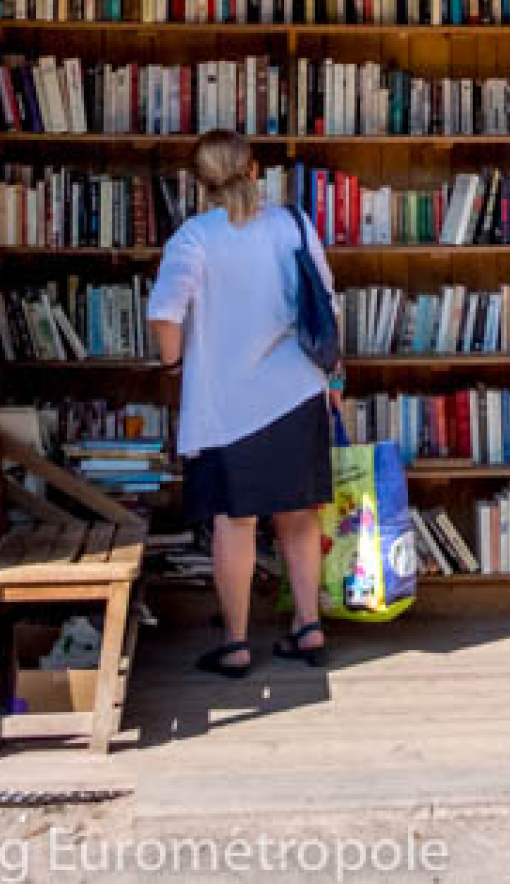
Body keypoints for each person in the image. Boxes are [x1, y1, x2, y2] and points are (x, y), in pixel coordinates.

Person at [147, 129, 341, 676]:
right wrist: (336, 387)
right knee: (299, 518)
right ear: (255, 170)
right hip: (298, 391)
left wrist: (172, 363)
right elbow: (327, 304)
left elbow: (165, 315)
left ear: (200, 182)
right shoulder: (294, 225)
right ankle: (308, 627)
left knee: (237, 524)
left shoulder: (194, 237)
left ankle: (235, 643)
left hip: (227, 406)